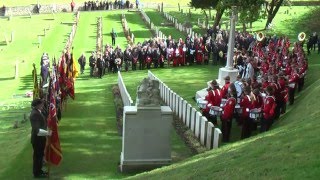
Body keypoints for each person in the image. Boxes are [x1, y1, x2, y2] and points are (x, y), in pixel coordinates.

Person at [30, 99, 51, 178]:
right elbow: (37, 130)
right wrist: (47, 133)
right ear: (37, 105)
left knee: (40, 155)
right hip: (37, 139)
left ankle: (39, 170)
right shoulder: (35, 114)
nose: (42, 106)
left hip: (41, 138)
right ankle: (37, 173)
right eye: (41, 104)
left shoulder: (38, 112)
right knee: (37, 156)